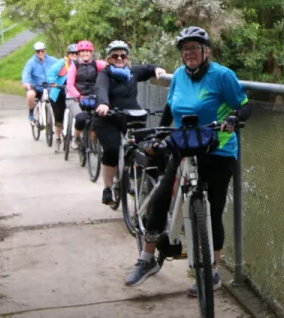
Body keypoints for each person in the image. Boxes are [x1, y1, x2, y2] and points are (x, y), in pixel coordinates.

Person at [123, 26, 252, 296]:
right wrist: (160, 132)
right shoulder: (180, 75)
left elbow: (244, 104)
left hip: (218, 151)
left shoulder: (222, 75)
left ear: (206, 51)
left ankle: (213, 272)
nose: (188, 53)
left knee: (213, 211)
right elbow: (171, 108)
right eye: (185, 49)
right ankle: (147, 260)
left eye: (194, 48)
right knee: (160, 198)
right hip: (184, 147)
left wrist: (233, 119)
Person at [92, 40, 166, 206]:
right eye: (115, 56)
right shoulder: (104, 74)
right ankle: (107, 188)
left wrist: (156, 69)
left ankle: (138, 177)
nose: (119, 58)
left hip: (131, 116)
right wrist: (103, 103)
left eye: (123, 55)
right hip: (108, 118)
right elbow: (100, 88)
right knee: (111, 148)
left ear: (127, 58)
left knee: (147, 145)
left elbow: (147, 69)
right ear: (109, 58)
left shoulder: (132, 72)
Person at [65, 40, 107, 149]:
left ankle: (92, 140)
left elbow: (109, 68)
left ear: (91, 53)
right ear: (79, 53)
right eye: (82, 51)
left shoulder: (97, 64)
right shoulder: (74, 66)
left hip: (93, 97)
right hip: (75, 98)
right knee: (81, 118)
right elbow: (70, 84)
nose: (85, 53)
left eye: (88, 51)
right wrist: (78, 96)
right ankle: (76, 138)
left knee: (99, 117)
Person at [44, 43, 78, 145]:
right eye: (72, 53)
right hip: (59, 91)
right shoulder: (63, 62)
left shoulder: (81, 64)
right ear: (68, 54)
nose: (74, 55)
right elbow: (51, 72)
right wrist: (52, 83)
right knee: (59, 117)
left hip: (74, 92)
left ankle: (77, 136)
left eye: (76, 53)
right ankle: (58, 138)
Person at [21, 41, 59, 123]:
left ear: (45, 51)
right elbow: (26, 72)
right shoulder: (31, 62)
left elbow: (62, 65)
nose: (40, 53)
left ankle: (52, 121)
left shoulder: (52, 60)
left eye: (42, 51)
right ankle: (31, 112)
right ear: (35, 52)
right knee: (30, 95)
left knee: (57, 98)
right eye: (38, 51)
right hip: (36, 86)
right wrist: (26, 82)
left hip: (48, 87)